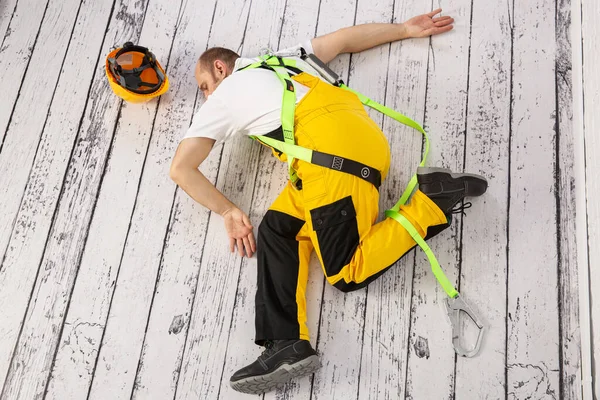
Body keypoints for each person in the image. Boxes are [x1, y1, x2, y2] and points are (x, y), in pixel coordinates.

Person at [170, 8, 487, 394]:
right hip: (360, 145)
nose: (205, 96)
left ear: (219, 68)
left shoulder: (225, 95)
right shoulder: (283, 58)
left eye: (203, 84)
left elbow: (181, 169)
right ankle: (286, 343)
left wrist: (227, 209)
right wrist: (403, 29)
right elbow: (343, 38)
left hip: (329, 157)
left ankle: (431, 203)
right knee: (278, 230)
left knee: (346, 272)